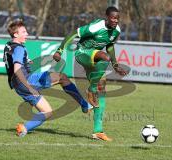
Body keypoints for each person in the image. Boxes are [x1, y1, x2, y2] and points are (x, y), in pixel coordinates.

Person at [3, 20, 92, 137]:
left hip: (18, 84)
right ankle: (84, 104)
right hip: (26, 81)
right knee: (62, 77)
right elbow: (16, 69)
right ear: (16, 35)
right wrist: (30, 88)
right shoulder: (19, 48)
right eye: (23, 32)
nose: (27, 34)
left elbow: (11, 62)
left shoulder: (9, 45)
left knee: (47, 112)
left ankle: (23, 128)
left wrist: (26, 62)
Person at [53, 6, 128, 141]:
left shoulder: (116, 31)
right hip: (83, 53)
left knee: (101, 90)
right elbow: (73, 34)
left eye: (118, 18)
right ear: (107, 17)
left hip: (95, 58)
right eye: (113, 18)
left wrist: (115, 65)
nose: (116, 20)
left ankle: (98, 131)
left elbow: (109, 46)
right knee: (104, 58)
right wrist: (59, 50)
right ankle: (90, 90)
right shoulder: (95, 27)